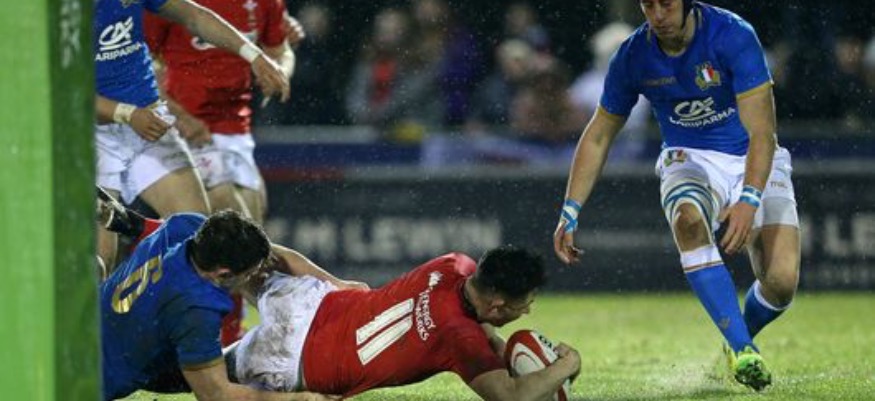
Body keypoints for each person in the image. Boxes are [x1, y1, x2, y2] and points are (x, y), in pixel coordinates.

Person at [553, 0, 799, 392]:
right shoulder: (633, 55)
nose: (657, 15)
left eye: (666, 4)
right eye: (648, 5)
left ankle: (737, 339)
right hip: (688, 158)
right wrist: (570, 210)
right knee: (687, 219)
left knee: (782, 281)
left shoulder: (733, 34)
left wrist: (750, 198)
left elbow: (762, 133)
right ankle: (744, 348)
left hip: (752, 154)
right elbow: (599, 135)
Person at [143, 0, 301, 346]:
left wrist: (278, 72)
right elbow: (142, 65)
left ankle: (233, 338)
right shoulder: (172, 6)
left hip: (236, 133)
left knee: (253, 241)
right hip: (188, 131)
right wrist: (180, 116)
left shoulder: (265, 3)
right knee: (231, 231)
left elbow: (280, 51)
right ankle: (254, 331)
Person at [229, 246, 580, 401]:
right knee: (201, 380)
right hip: (297, 361)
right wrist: (567, 364)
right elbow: (512, 397)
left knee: (235, 252)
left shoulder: (453, 264)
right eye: (524, 305)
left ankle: (202, 230)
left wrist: (500, 349)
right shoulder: (461, 340)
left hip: (309, 303)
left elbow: (458, 316)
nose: (527, 312)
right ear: (498, 305)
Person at [94, 0, 289, 269]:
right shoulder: (62, 12)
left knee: (197, 237)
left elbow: (194, 16)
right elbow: (57, 90)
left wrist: (254, 55)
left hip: (149, 120)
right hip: (93, 133)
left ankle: (167, 288)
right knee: (100, 263)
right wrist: (126, 113)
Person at [97, 191, 342, 401]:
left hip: (89, 329)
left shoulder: (187, 227)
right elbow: (216, 395)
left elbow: (273, 255)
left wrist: (336, 285)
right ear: (223, 273)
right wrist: (302, 399)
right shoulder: (195, 310)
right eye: (249, 273)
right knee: (231, 369)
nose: (255, 277)